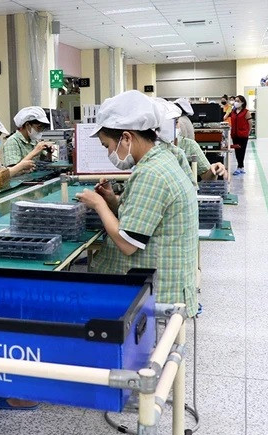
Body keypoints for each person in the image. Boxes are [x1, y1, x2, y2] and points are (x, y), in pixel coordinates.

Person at [75, 90, 199, 319]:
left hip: (156, 290)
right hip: (163, 277)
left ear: (126, 138)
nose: (109, 153)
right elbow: (143, 215)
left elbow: (127, 243)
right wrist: (111, 200)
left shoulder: (151, 174)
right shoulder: (161, 160)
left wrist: (99, 205)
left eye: (107, 146)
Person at [226, 95, 251, 175]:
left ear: (242, 102)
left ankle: (239, 167)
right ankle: (241, 167)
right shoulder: (233, 112)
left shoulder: (246, 112)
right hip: (235, 134)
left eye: (238, 101)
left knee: (241, 151)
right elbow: (224, 117)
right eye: (235, 101)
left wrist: (248, 131)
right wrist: (229, 110)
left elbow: (250, 123)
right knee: (237, 151)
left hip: (243, 135)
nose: (236, 102)